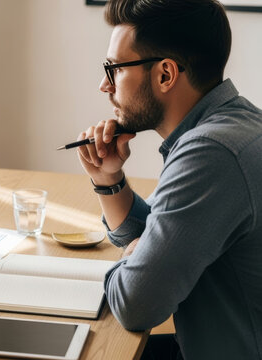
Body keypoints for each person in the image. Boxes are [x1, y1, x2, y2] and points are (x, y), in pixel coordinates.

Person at [75, 0, 262, 359]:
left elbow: (136, 303)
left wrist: (135, 257)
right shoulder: (233, 125)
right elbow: (167, 242)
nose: (104, 85)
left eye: (114, 69)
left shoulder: (211, 153)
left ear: (165, 74)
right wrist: (109, 180)